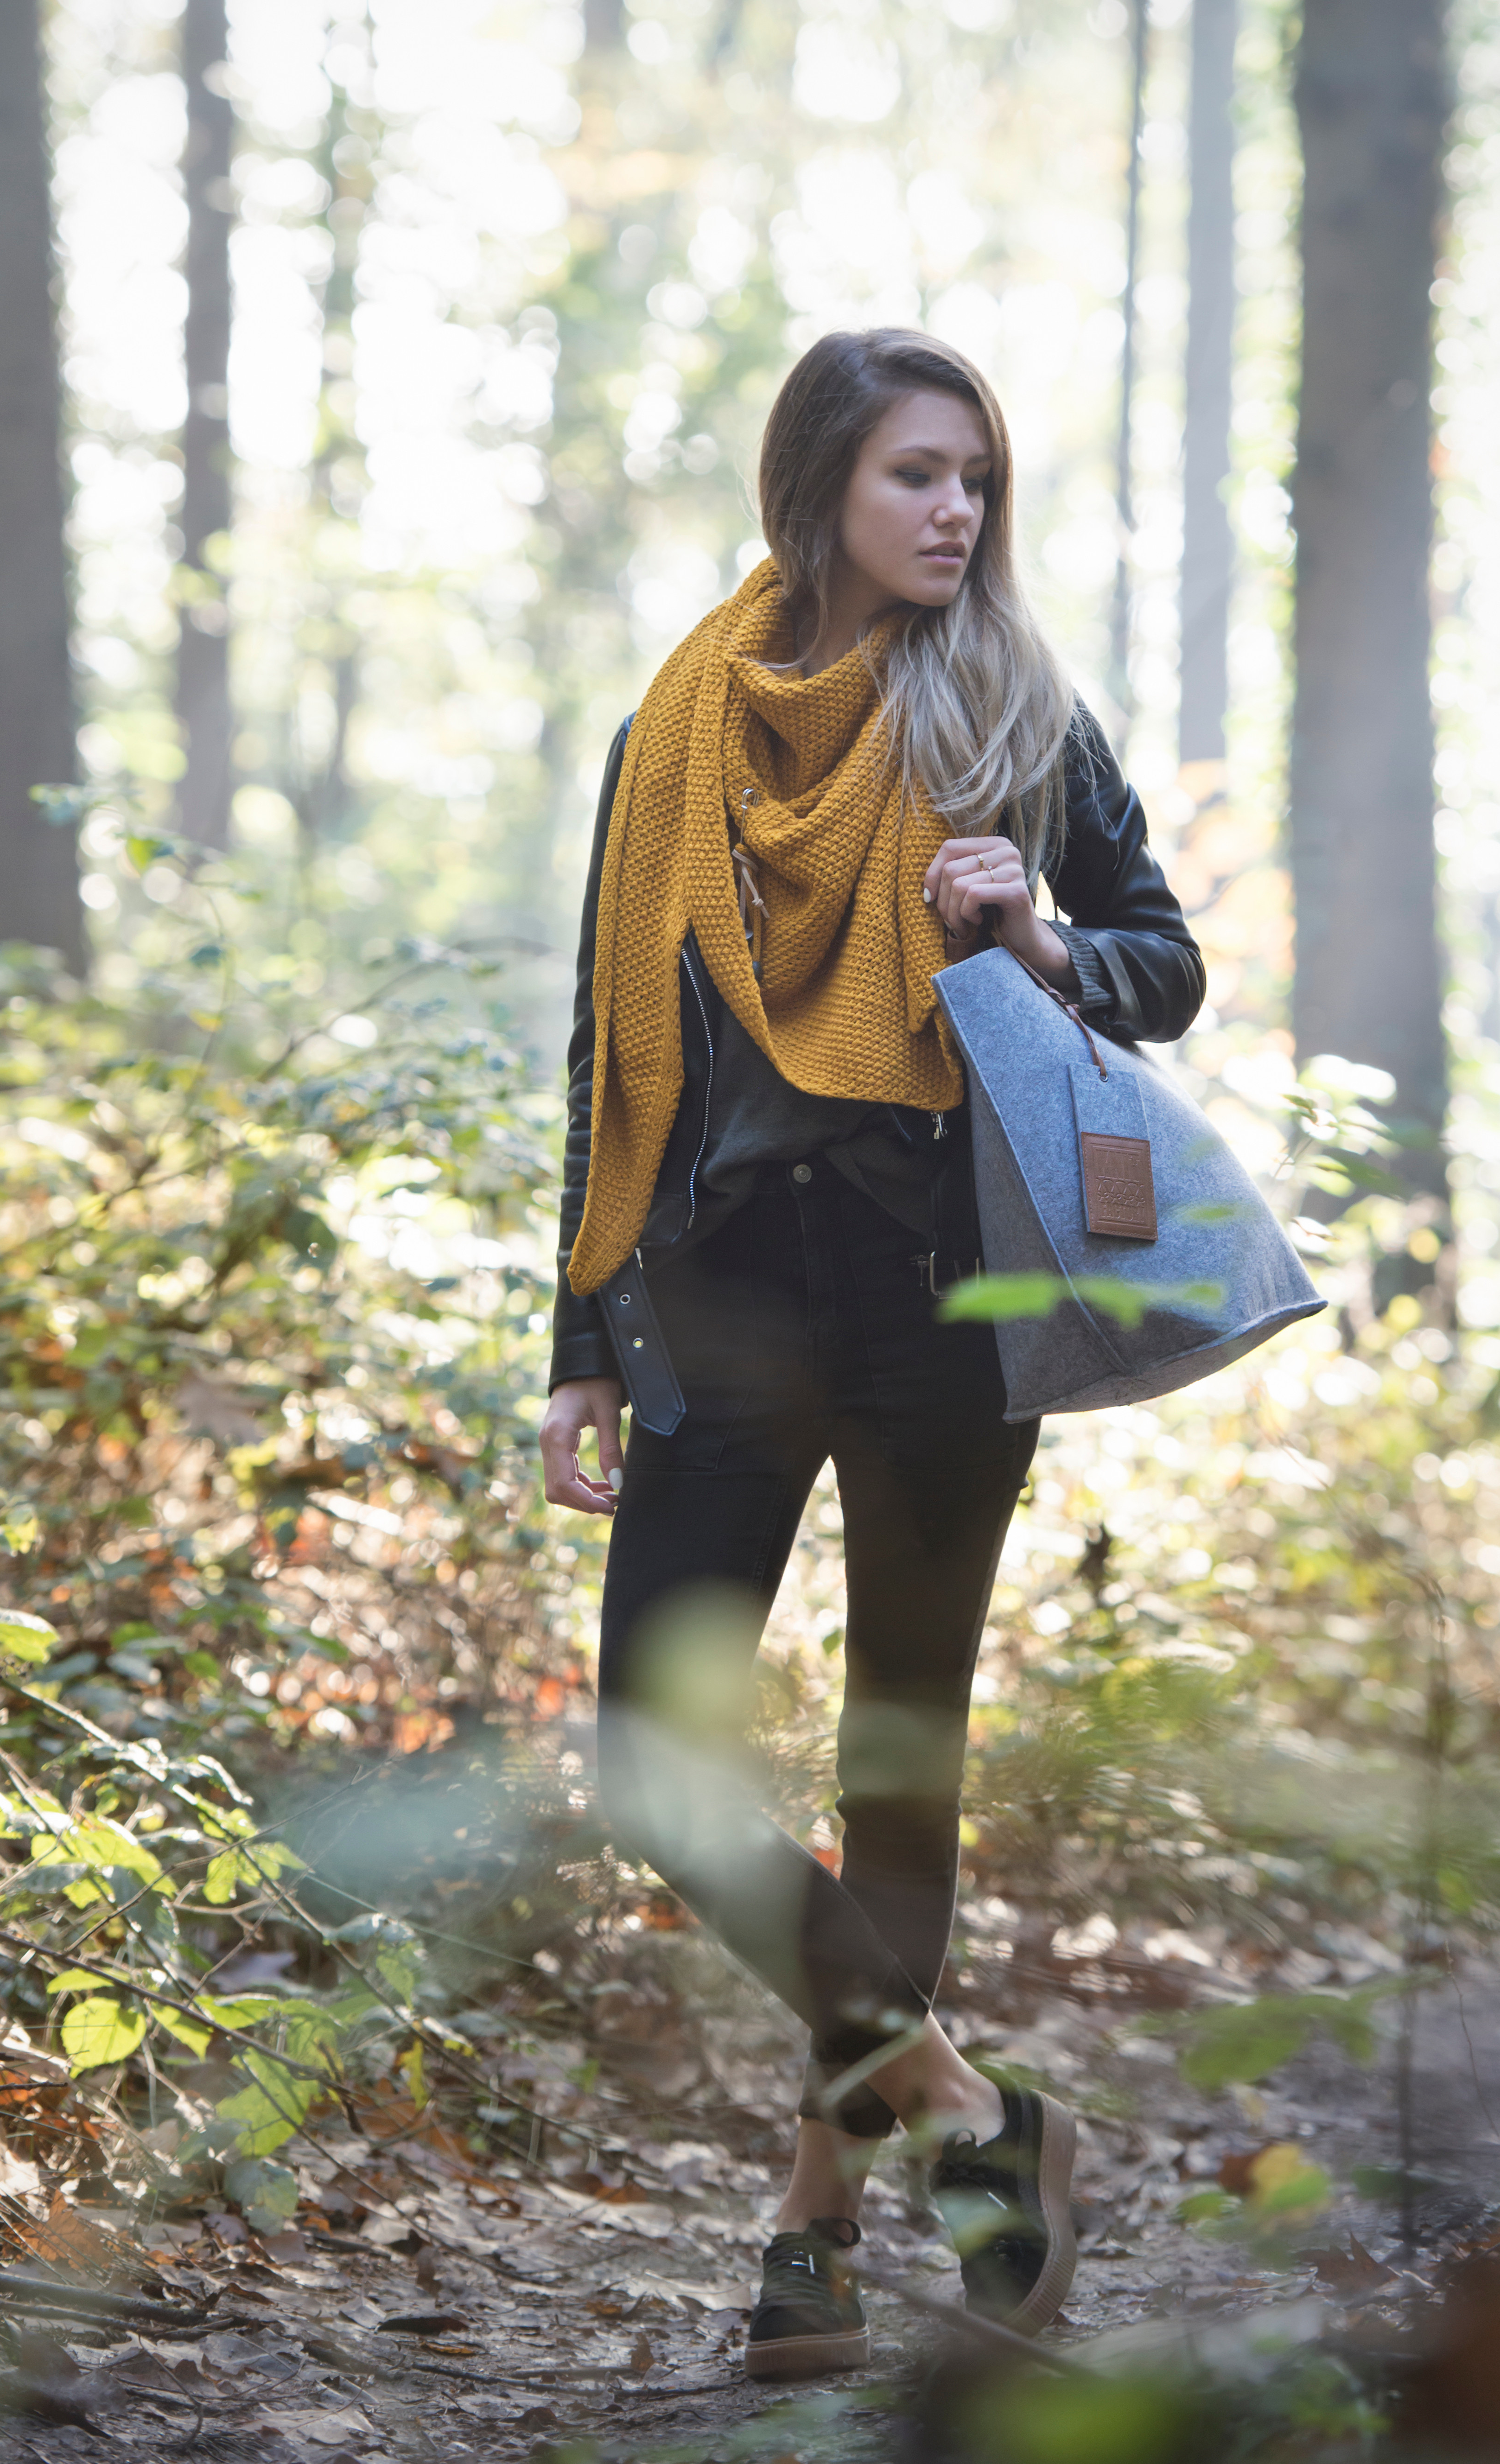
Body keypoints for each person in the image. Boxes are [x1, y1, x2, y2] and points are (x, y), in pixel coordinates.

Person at [539, 328, 1203, 2380]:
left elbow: (1161, 971)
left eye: (978, 484)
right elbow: (609, 1045)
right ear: (820, 482)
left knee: (894, 1763)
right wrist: (579, 1333)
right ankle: (974, 2124)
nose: (957, 515)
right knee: (652, 1753)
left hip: (940, 1301)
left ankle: (813, 2248)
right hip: (726, 1300)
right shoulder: (680, 729)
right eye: (921, 475)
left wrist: (1039, 937)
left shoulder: (1015, 710)